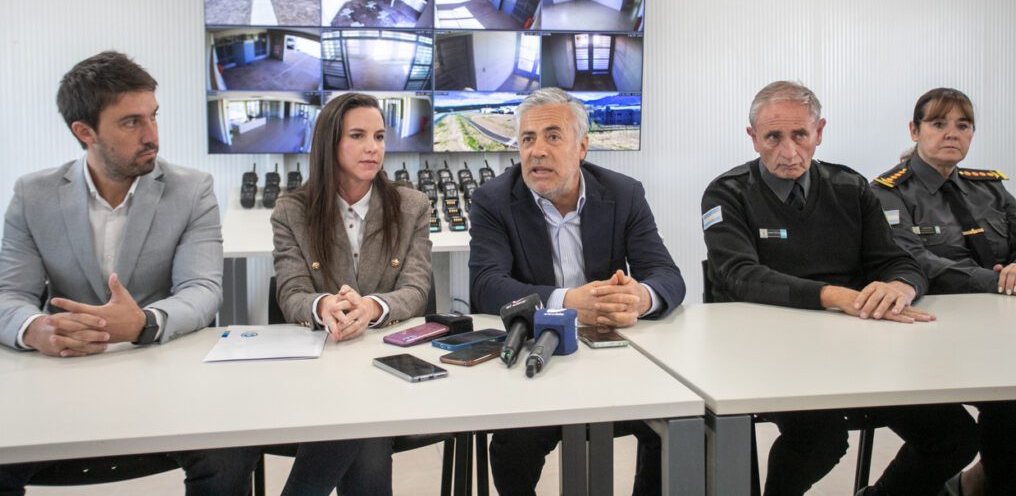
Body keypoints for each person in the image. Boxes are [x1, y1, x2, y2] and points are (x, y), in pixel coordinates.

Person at [701, 80, 977, 496]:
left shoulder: (850, 187)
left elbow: (896, 260)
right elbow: (738, 274)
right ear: (753, 137)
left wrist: (901, 286)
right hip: (770, 352)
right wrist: (834, 296)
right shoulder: (728, 192)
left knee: (955, 436)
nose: (788, 151)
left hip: (857, 348)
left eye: (800, 135)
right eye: (773, 137)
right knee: (821, 440)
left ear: (820, 132)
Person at [0, 51, 258, 494]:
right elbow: (9, 294)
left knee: (233, 453)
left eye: (153, 116)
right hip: (63, 373)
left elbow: (202, 289)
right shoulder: (33, 194)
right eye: (131, 122)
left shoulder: (192, 190)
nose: (152, 135)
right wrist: (35, 328)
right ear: (84, 132)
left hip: (163, 368)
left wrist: (145, 322)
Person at [469, 87, 685, 495]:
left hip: (614, 356)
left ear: (582, 147)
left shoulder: (624, 193)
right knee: (513, 447)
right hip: (538, 357)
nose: (537, 151)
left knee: (676, 423)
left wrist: (639, 297)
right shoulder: (493, 200)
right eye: (527, 139)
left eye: (553, 136)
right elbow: (486, 286)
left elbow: (666, 275)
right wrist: (568, 303)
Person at [271, 91, 432, 496]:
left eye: (379, 137)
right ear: (330, 143)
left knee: (358, 425)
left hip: (387, 362)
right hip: (322, 368)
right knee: (362, 431)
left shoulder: (412, 206)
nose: (373, 148)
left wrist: (372, 307)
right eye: (358, 136)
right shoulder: (292, 211)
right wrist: (323, 305)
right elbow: (291, 292)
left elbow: (416, 289)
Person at [871, 87, 1016, 496]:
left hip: (1000, 335)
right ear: (914, 130)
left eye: (963, 125)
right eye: (938, 124)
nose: (952, 133)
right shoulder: (888, 192)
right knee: (957, 437)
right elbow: (914, 260)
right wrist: (1000, 282)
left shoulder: (990, 188)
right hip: (930, 339)